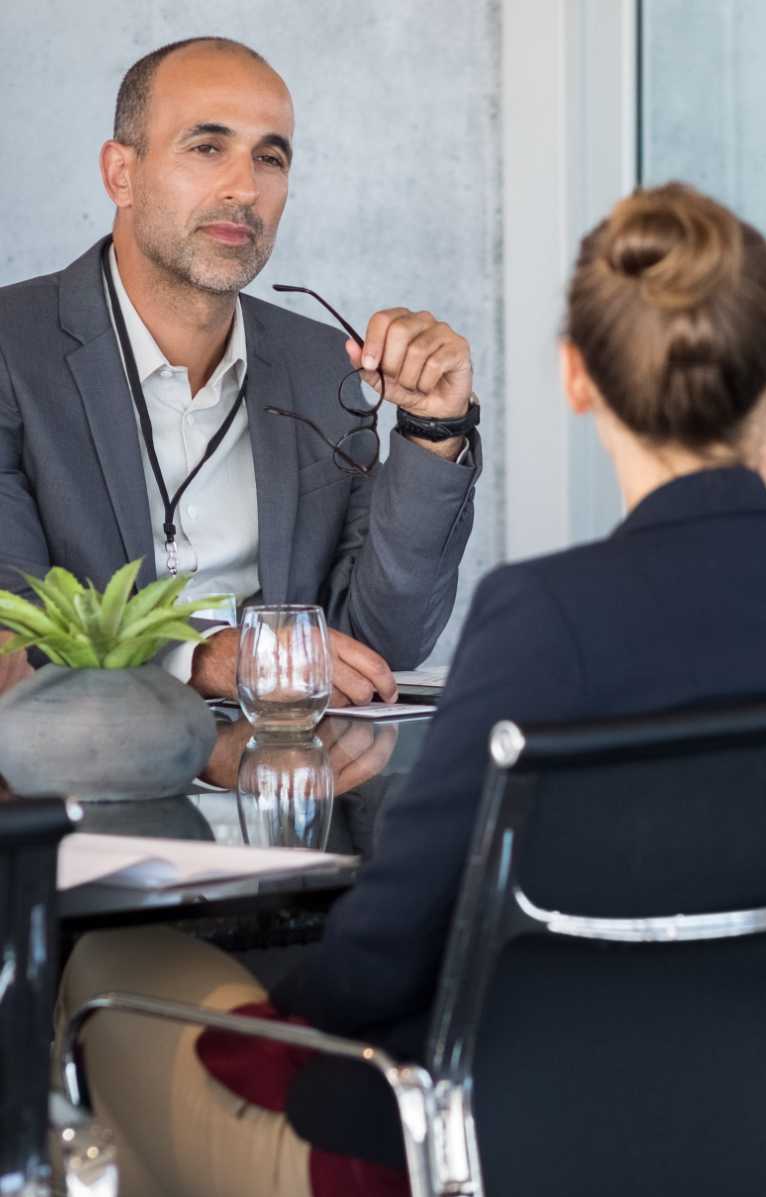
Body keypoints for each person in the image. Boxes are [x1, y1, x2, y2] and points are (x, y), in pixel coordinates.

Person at [58, 182, 766, 1197]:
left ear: (574, 378)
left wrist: (272, 1027)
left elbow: (387, 951)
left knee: (102, 969)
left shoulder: (548, 616)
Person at [0, 37, 482, 706]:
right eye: (207, 147)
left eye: (270, 157)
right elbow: (12, 627)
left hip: (290, 780)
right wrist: (196, 655)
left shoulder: (325, 367)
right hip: (78, 783)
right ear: (120, 174)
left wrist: (434, 429)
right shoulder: (11, 349)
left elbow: (382, 643)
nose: (244, 187)